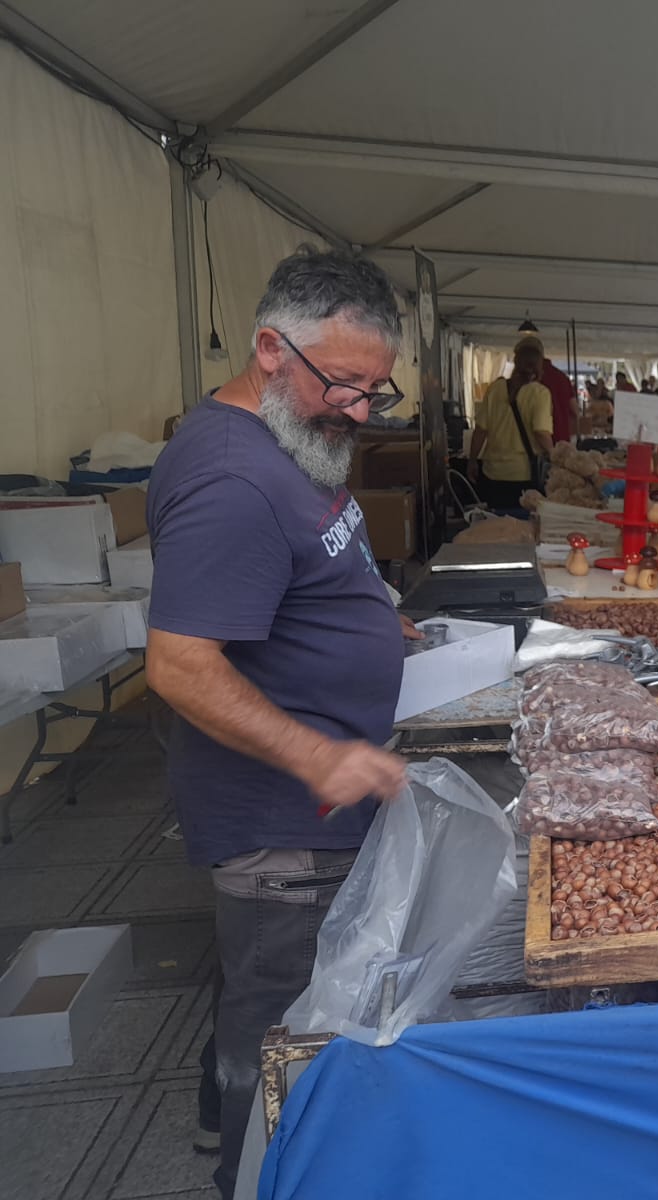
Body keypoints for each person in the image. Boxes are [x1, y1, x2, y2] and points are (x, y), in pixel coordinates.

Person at [144, 247, 421, 1197]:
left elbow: (301, 566)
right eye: (343, 385)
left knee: (268, 1008)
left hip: (307, 814)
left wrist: (368, 614)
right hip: (284, 831)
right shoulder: (232, 478)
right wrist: (315, 756)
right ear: (270, 349)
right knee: (280, 1040)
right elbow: (180, 665)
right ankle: (255, 1175)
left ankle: (238, 1134)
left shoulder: (288, 439)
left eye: (375, 391)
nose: (359, 411)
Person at [469, 336, 553, 508]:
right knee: (522, 523)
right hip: (523, 475)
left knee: (495, 521)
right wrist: (554, 455)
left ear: (516, 361)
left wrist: (472, 460)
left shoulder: (495, 388)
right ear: (539, 364)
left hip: (492, 473)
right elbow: (541, 432)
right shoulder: (540, 393)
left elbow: (481, 430)